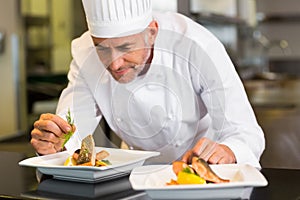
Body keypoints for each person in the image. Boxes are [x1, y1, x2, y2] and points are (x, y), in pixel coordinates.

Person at [30, 0, 265, 167]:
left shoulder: (197, 45)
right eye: (102, 48)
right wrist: (54, 143)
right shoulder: (84, 53)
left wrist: (228, 151)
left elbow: (245, 133)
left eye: (126, 48)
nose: (114, 63)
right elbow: (70, 132)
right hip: (132, 176)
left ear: (152, 32)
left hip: (200, 173)